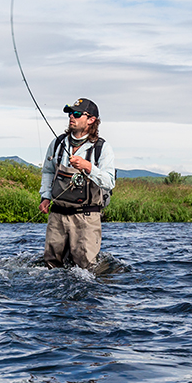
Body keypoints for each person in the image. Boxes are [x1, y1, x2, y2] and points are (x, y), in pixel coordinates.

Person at [38, 98, 115, 269]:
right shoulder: (57, 143)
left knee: (86, 268)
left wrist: (88, 167)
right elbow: (48, 171)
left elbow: (109, 182)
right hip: (57, 215)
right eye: (70, 113)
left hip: (86, 217)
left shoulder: (102, 148)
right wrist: (45, 197)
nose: (72, 117)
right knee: (51, 266)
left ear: (91, 120)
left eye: (77, 114)